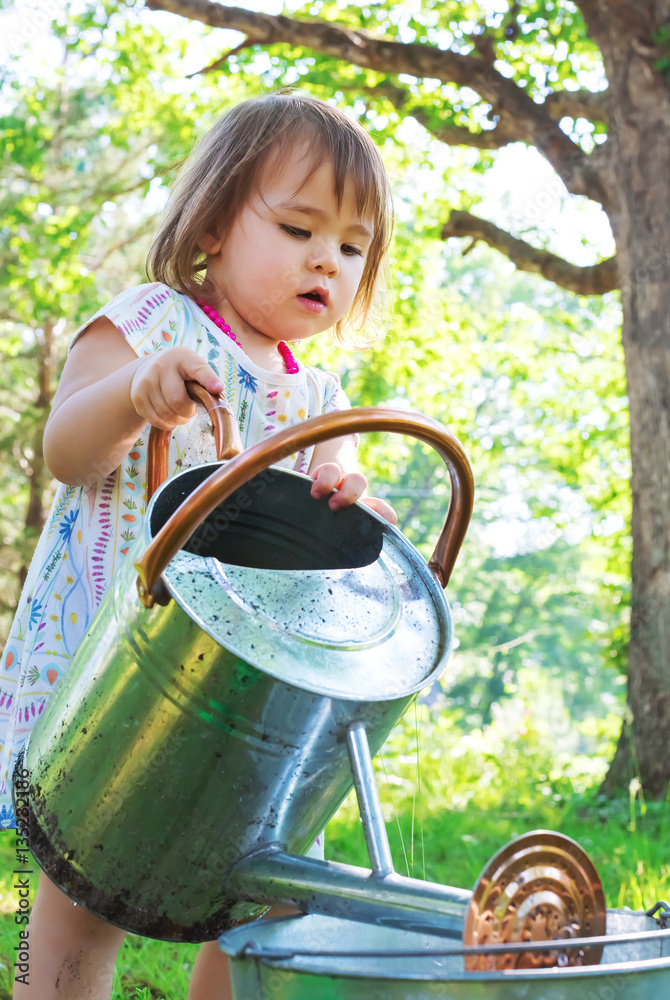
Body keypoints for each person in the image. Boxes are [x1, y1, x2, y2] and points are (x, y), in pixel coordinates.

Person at [1, 90, 396, 999]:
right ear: (213, 226)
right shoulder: (150, 326)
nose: (325, 261)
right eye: (299, 227)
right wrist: (138, 393)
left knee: (271, 901)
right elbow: (65, 451)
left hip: (247, 710)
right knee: (76, 901)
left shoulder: (324, 399)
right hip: (110, 671)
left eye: (350, 246)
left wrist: (347, 501)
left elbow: (339, 548)